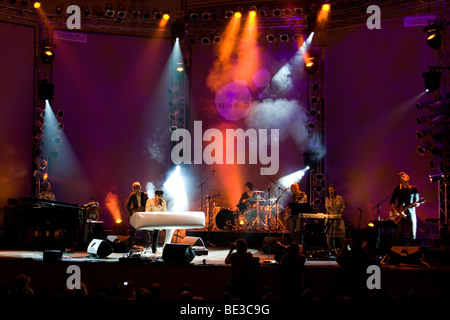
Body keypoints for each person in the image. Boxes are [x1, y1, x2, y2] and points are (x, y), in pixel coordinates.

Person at [389, 172, 420, 245]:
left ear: (408, 178)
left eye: (403, 176)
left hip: (411, 213)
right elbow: (392, 202)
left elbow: (418, 201)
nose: (401, 178)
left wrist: (417, 204)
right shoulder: (397, 189)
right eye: (400, 177)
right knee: (398, 235)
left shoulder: (413, 189)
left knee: (412, 235)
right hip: (399, 214)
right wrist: (394, 210)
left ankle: (412, 253)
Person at [126, 182, 149, 247]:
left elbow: (148, 204)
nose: (137, 190)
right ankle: (131, 244)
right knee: (133, 229)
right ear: (133, 189)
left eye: (138, 188)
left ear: (140, 188)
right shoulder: (132, 195)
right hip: (136, 213)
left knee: (145, 229)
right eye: (135, 189)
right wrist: (131, 212)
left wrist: (146, 210)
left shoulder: (144, 195)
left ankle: (147, 244)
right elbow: (127, 205)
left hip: (143, 213)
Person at [324, 185, 346, 251]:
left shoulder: (340, 198)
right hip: (330, 217)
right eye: (329, 190)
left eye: (332, 190)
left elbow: (343, 206)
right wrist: (330, 201)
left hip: (338, 217)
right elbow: (327, 208)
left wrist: (341, 212)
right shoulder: (327, 199)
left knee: (341, 234)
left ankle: (342, 249)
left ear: (334, 190)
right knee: (329, 235)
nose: (331, 191)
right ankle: (329, 249)